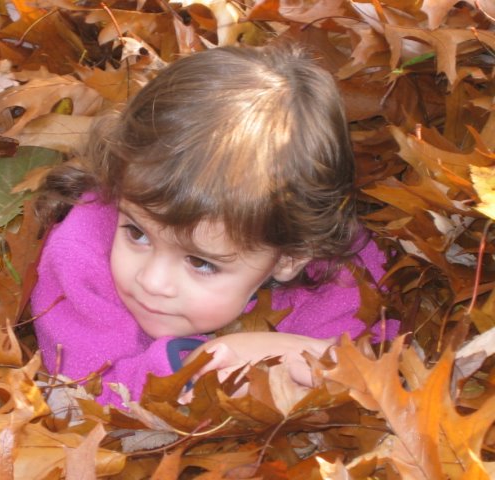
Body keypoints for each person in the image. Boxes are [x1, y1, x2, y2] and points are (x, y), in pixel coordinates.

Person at [30, 43, 398, 407]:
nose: (152, 281)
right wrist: (196, 367)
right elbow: (87, 391)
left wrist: (294, 361)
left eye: (200, 262)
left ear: (290, 258)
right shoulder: (81, 254)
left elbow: (373, 380)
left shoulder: (341, 282)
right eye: (137, 233)